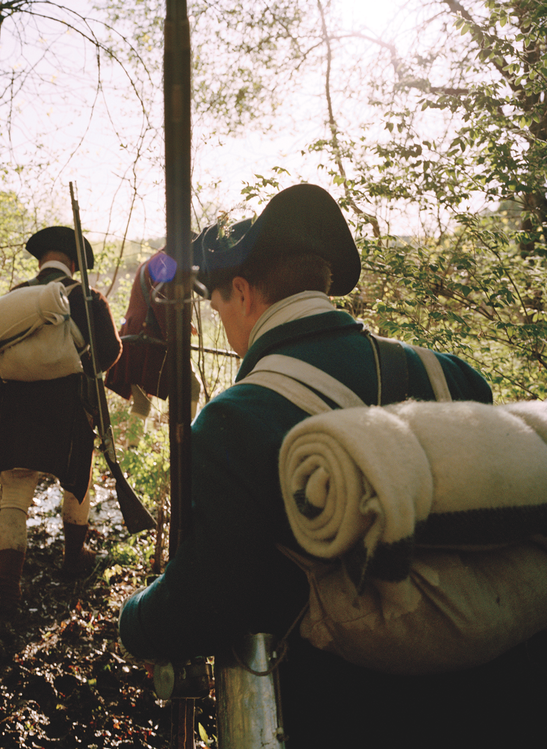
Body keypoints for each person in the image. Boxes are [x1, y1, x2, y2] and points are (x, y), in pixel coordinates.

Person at [117, 184, 547, 747]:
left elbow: (204, 605)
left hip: (352, 714)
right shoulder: (454, 377)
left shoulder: (230, 424)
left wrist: (135, 620)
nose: (221, 319)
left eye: (218, 304)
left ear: (242, 292)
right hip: (506, 702)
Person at [0, 226, 122, 613]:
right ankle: (72, 562)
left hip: (14, 409)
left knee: (15, 496)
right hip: (67, 408)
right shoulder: (88, 297)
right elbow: (110, 351)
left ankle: (9, 593)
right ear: (74, 264)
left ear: (41, 260)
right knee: (77, 485)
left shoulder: (15, 297)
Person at [105, 227, 247, 446]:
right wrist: (177, 335)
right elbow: (161, 302)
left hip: (140, 338)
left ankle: (133, 448)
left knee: (143, 400)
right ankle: (189, 440)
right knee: (192, 386)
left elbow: (159, 300)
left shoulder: (156, 260)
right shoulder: (164, 263)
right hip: (148, 340)